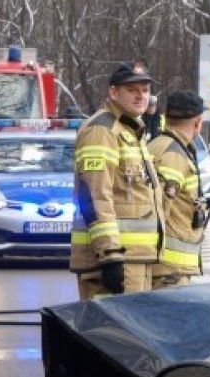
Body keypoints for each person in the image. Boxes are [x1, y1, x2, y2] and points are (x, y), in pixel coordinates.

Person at [69, 62, 165, 299]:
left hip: (135, 258)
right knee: (114, 334)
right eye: (132, 90)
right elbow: (95, 195)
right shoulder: (102, 131)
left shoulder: (131, 131)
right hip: (115, 259)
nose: (140, 96)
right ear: (114, 92)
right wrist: (110, 254)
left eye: (145, 90)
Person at [148, 89, 210, 288]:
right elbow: (159, 211)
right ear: (198, 122)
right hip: (169, 270)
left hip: (163, 267)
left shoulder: (156, 145)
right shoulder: (174, 154)